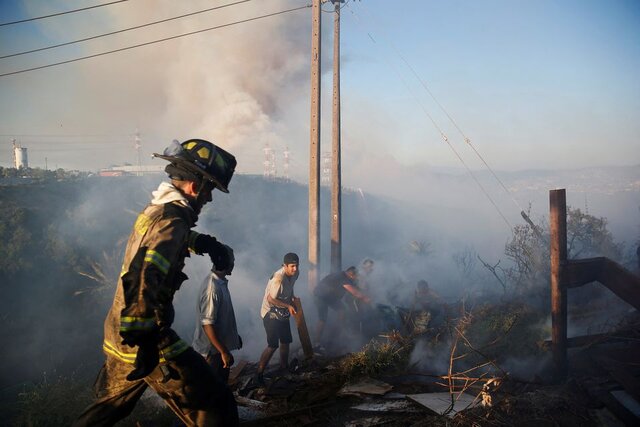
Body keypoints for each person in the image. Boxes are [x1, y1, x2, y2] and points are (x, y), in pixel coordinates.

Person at [75, 139, 239, 427]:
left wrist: (205, 243)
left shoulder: (157, 211)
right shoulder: (172, 222)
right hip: (147, 335)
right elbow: (144, 276)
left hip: (118, 331)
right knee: (216, 404)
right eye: (210, 189)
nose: (209, 198)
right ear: (195, 185)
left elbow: (161, 244)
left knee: (107, 411)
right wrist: (145, 340)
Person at [192, 254, 241, 385]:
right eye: (233, 261)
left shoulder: (220, 283)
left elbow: (221, 318)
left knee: (220, 390)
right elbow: (207, 324)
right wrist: (223, 351)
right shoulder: (212, 289)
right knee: (211, 391)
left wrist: (234, 337)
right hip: (211, 353)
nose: (234, 265)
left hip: (217, 350)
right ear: (226, 263)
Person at [255, 252, 300, 386]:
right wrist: (288, 305)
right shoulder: (278, 279)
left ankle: (283, 368)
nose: (295, 269)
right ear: (284, 266)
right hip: (270, 312)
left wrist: (291, 298)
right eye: (292, 266)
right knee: (273, 345)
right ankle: (258, 374)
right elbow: (271, 299)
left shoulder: (296, 273)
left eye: (297, 266)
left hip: (283, 310)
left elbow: (291, 287)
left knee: (286, 341)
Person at [313, 266, 371, 346]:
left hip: (330, 297)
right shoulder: (343, 278)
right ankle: (316, 342)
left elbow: (355, 287)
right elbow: (355, 292)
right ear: (351, 275)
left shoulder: (344, 275)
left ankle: (339, 333)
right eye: (355, 277)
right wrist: (365, 298)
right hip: (320, 296)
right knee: (322, 319)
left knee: (342, 310)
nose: (355, 279)